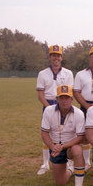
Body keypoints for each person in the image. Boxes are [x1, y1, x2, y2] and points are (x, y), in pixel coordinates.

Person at [40, 85, 85, 186]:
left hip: (70, 146)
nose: (64, 101)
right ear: (57, 99)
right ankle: (71, 169)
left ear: (72, 99)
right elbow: (44, 133)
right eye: (62, 98)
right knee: (61, 182)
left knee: (78, 150)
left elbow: (80, 137)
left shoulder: (79, 113)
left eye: (67, 97)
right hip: (54, 146)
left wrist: (63, 146)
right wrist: (53, 147)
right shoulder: (49, 111)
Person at [36, 45, 74, 175]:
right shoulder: (42, 73)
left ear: (61, 57)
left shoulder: (68, 73)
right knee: (47, 133)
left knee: (67, 131)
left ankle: (69, 161)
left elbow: (69, 93)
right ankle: (45, 163)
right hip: (48, 104)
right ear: (49, 57)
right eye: (53, 55)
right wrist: (49, 108)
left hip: (64, 103)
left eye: (58, 55)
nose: (56, 58)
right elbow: (40, 95)